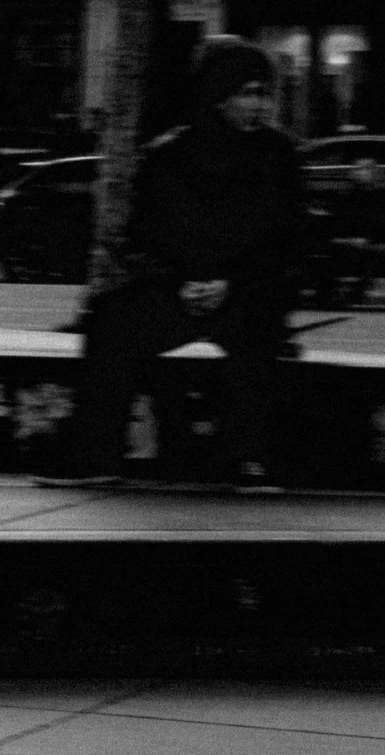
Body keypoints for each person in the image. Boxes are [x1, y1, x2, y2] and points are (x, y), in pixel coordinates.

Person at [40, 37, 304, 493]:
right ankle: (94, 456)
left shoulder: (277, 156)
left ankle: (247, 458)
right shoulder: (168, 157)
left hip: (247, 292)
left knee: (258, 337)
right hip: (177, 291)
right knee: (112, 324)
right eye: (247, 93)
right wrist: (179, 284)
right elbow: (141, 241)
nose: (258, 106)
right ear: (218, 95)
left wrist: (232, 284)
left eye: (264, 94)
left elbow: (288, 242)